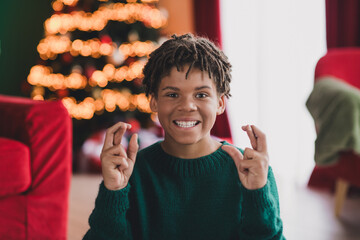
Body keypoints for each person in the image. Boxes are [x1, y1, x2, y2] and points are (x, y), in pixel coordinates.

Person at [83, 33, 285, 240]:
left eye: (201, 95)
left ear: (220, 103)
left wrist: (257, 193)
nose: (187, 106)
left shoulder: (253, 171)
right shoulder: (132, 172)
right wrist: (113, 191)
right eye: (172, 94)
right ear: (154, 102)